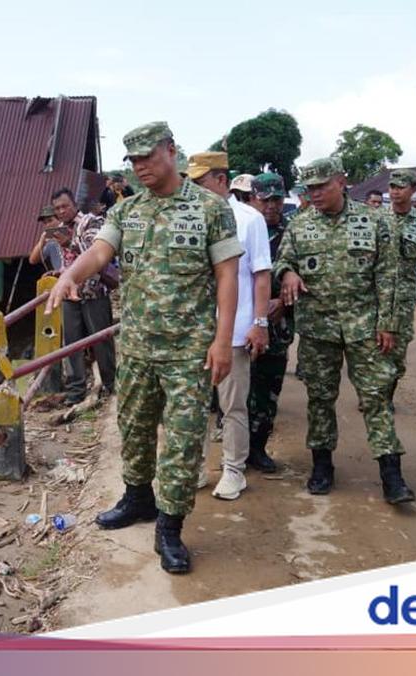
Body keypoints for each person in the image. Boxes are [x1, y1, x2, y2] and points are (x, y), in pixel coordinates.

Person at [46, 121, 242, 574]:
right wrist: (71, 275)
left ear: (171, 151)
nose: (140, 168)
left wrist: (222, 341)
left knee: (183, 441)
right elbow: (99, 251)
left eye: (147, 158)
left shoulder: (211, 209)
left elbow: (227, 277)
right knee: (133, 430)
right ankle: (138, 499)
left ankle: (170, 528)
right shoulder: (126, 211)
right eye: (133, 161)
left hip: (189, 351)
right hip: (135, 346)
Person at [275, 157, 413, 505]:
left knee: (376, 397)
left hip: (365, 326)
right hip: (318, 328)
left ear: (341, 181)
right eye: (310, 188)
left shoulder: (375, 221)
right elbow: (282, 261)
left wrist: (389, 324)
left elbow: (388, 276)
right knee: (320, 398)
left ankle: (391, 475)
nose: (315, 193)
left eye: (322, 186)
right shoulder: (299, 224)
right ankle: (322, 466)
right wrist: (287, 273)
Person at [186, 152, 271, 500]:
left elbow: (261, 275)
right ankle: (197, 468)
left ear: (222, 180)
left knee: (232, 404)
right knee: (193, 403)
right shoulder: (188, 216)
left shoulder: (249, 220)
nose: (193, 190)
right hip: (194, 330)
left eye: (200, 182)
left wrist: (259, 322)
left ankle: (234, 470)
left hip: (234, 329)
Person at [245, 172, 295, 473]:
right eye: (266, 200)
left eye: (277, 199)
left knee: (268, 389)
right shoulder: (241, 230)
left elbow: (310, 277)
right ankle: (236, 448)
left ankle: (258, 447)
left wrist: (285, 303)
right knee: (238, 388)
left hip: (278, 327)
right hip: (240, 322)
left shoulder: (293, 234)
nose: (272, 206)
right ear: (253, 199)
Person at [51, 188, 117, 404]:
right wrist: (60, 274)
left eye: (64, 206)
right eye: (57, 208)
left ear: (74, 204)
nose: (61, 211)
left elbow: (95, 253)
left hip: (94, 291)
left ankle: (110, 385)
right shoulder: (60, 229)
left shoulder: (90, 222)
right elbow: (68, 262)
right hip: (71, 295)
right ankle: (75, 391)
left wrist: (69, 242)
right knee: (71, 344)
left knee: (101, 340)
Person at [382, 169, 416, 409]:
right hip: (375, 295)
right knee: (370, 348)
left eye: (401, 187)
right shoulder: (376, 218)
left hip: (403, 298)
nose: (395, 191)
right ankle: (373, 394)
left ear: (413, 190)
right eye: (392, 186)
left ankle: (387, 395)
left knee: (397, 349)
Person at [28, 204, 69, 272]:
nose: (48, 225)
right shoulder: (49, 242)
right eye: (45, 223)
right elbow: (32, 260)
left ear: (59, 219)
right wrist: (41, 242)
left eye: (50, 220)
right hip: (61, 277)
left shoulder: (72, 232)